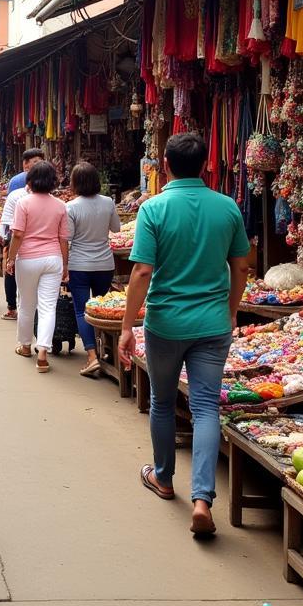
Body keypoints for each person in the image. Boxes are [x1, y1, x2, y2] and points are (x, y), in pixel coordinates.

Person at [118, 133, 249, 539]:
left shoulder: (153, 208)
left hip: (166, 323)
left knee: (161, 400)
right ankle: (203, 500)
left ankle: (163, 477)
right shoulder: (227, 207)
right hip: (212, 324)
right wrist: (230, 310)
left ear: (166, 165)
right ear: (206, 164)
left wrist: (126, 325)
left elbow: (141, 272)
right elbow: (242, 266)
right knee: (207, 407)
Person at [5, 162, 68, 373]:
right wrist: (65, 264)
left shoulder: (23, 203)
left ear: (29, 181)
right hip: (53, 259)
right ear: (53, 182)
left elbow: (18, 234)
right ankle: (42, 352)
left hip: (28, 259)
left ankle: (25, 346)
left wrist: (11, 258)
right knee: (48, 306)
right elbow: (63, 239)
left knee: (27, 304)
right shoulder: (60, 205)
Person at [66, 162, 120, 377]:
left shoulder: (71, 207)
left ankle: (91, 357)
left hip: (79, 264)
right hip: (104, 264)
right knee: (103, 310)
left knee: (82, 310)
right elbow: (116, 228)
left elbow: (68, 239)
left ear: (75, 183)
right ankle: (106, 351)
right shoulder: (108, 202)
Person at [0, 149, 43, 318]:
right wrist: (6, 242)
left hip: (33, 241)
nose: (37, 166)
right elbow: (9, 218)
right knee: (12, 271)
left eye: (39, 162)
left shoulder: (46, 191)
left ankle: (22, 310)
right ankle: (13, 306)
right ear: (25, 164)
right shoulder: (17, 187)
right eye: (35, 162)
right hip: (20, 237)